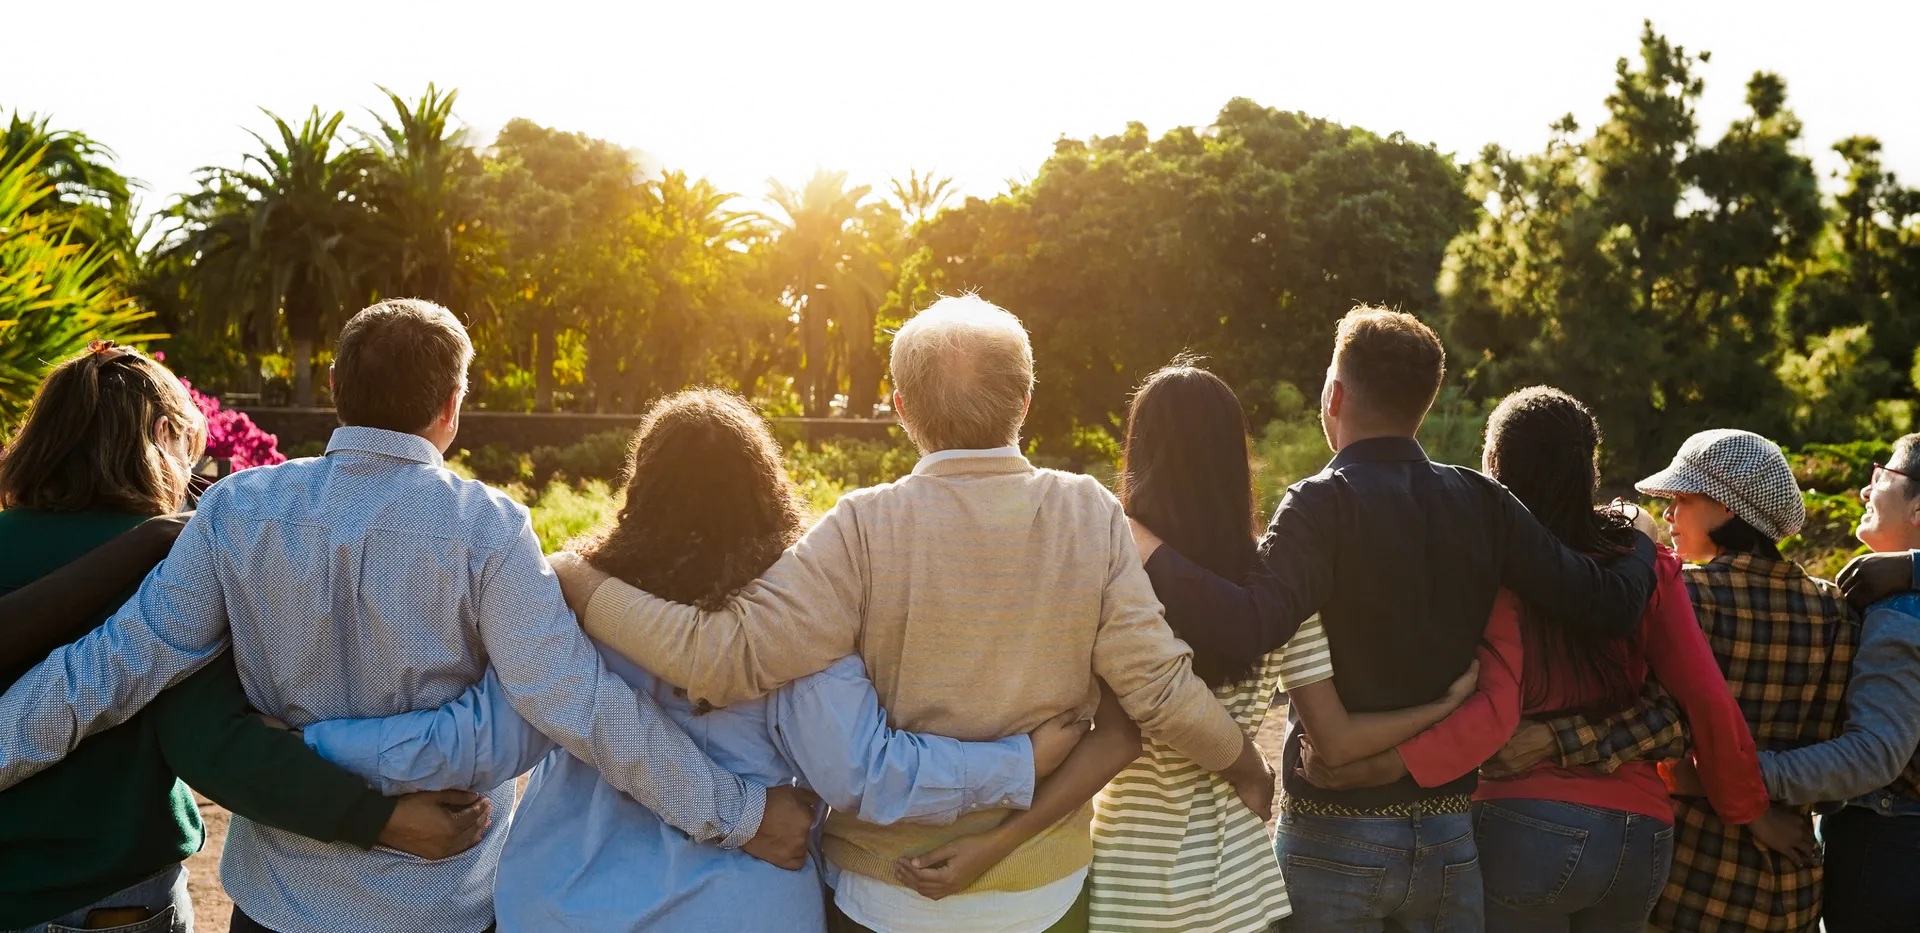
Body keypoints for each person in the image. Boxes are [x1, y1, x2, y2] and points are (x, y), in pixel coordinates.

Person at [0, 301, 817, 933]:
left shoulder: (237, 510)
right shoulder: (489, 528)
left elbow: (106, 670)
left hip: (279, 901)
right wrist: (741, 815)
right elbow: (577, 702)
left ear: (336, 392)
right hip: (439, 905)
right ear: (452, 406)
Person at [547, 295, 1273, 933]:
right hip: (1040, 894)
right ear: (1026, 401)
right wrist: (1244, 762)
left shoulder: (861, 528)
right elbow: (1158, 690)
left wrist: (578, 577)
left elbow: (719, 658)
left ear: (901, 409)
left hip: (884, 895)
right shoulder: (1088, 512)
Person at [287, 388, 1102, 931]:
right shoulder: (794, 614)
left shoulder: (573, 598)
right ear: (766, 484)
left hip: (564, 906)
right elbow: (859, 769)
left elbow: (479, 739)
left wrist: (314, 743)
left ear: (640, 483)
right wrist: (1016, 761)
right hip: (743, 910)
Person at [1127, 307, 1662, 931]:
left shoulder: (1320, 504)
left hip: (1334, 837)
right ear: (1423, 404)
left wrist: (1145, 545)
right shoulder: (1482, 501)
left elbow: (1251, 624)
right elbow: (1608, 604)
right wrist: (1639, 537)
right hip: (1449, 836)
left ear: (1334, 396)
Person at [0, 343, 484, 933]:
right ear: (164, 435)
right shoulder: (170, 563)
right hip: (104, 901)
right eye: (191, 446)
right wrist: (379, 817)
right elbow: (210, 742)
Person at [1307, 389, 1777, 931]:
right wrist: (1747, 810)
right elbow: (1705, 695)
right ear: (1588, 468)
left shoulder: (1493, 566)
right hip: (1641, 834)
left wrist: (1378, 764)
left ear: (1496, 465)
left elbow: (1494, 707)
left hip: (1523, 821)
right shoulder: (1641, 561)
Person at [1493, 428, 1860, 933]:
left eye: (1682, 499)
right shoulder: (1833, 606)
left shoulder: (1685, 589)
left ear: (1727, 507)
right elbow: (1831, 731)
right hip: (1789, 880)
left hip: (1696, 871)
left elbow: (1665, 721)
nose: (1667, 515)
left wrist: (1550, 739)